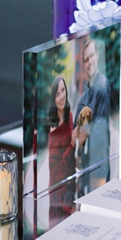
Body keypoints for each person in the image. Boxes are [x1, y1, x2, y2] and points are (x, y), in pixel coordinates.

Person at [76, 37, 112, 188]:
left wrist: (83, 132)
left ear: (97, 55)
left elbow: (99, 129)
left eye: (91, 56)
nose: (89, 62)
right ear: (83, 64)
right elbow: (76, 131)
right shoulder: (84, 97)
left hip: (98, 165)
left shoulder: (103, 86)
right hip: (85, 166)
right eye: (86, 59)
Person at [45, 75, 75, 225]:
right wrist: (73, 144)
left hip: (71, 179)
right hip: (58, 184)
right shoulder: (53, 126)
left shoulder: (69, 115)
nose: (62, 96)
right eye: (57, 94)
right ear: (53, 99)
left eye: (63, 91)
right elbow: (54, 163)